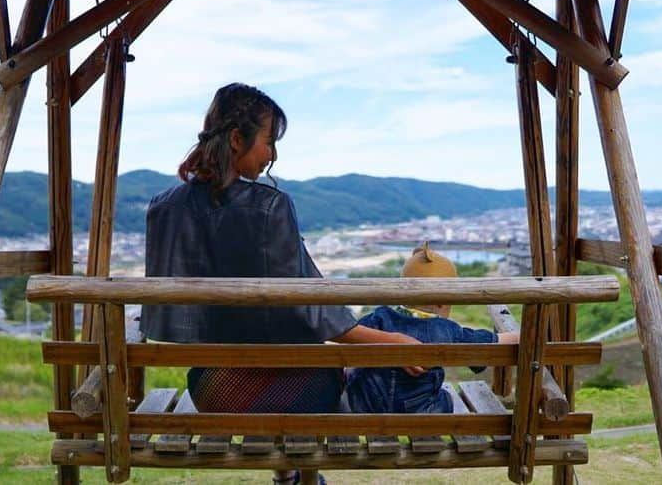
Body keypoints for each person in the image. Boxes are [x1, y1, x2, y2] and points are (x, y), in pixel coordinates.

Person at [141, 82, 422, 419]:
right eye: (269, 142)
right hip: (296, 390)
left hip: (210, 389)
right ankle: (294, 474)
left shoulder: (163, 207)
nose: (272, 155)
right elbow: (316, 312)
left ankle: (288, 475)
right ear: (236, 139)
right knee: (340, 364)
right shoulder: (270, 207)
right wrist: (394, 343)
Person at [345, 241, 518, 414]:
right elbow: (494, 343)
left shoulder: (379, 317)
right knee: (445, 399)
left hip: (365, 407)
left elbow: (349, 340)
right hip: (421, 412)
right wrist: (518, 336)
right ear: (442, 302)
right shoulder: (447, 330)